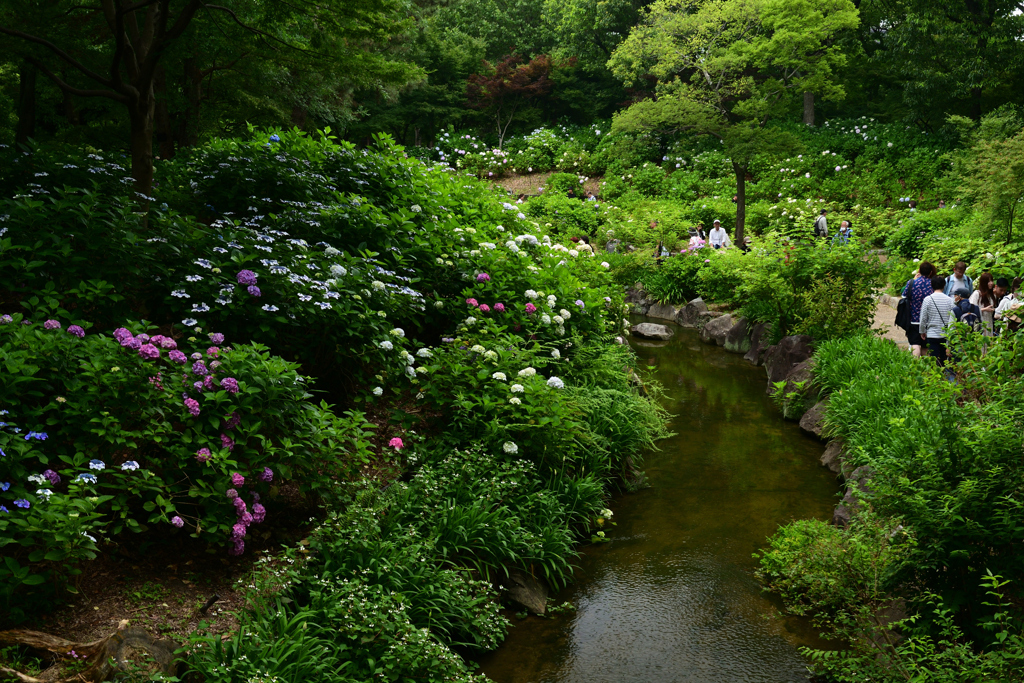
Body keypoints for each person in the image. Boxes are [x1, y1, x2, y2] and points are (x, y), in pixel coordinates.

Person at [903, 261, 936, 357]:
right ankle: (925, 367)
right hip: (928, 320)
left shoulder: (912, 283)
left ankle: (915, 365)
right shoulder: (933, 284)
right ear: (930, 272)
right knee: (925, 346)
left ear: (919, 271)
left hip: (914, 319)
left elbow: (904, 296)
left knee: (915, 343)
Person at [920, 275, 955, 366]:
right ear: (944, 285)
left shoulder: (927, 300)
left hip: (932, 334)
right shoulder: (950, 300)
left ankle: (934, 376)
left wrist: (922, 331)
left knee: (933, 359)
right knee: (943, 360)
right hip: (945, 334)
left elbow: (923, 318)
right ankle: (943, 376)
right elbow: (953, 318)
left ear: (932, 285)